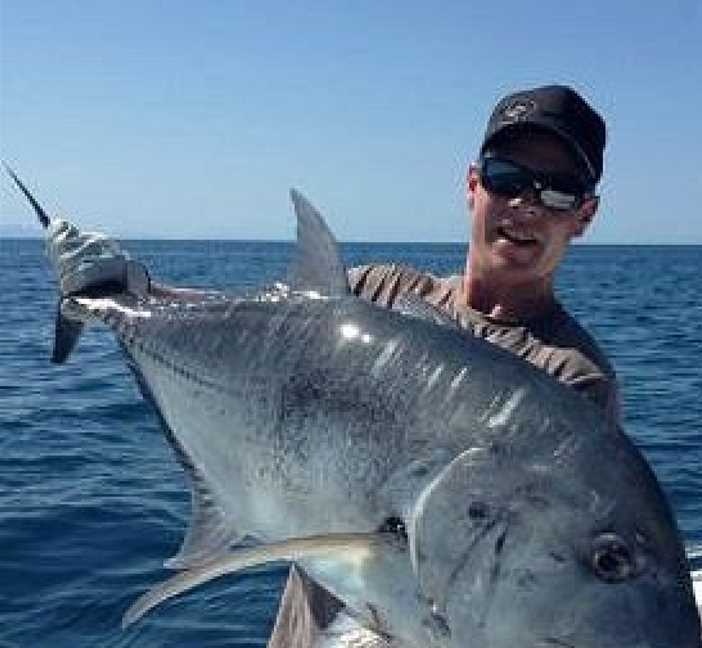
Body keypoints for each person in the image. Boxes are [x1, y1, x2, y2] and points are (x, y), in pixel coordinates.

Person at [46, 84, 617, 648]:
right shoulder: (378, 293)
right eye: (507, 178)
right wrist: (126, 290)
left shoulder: (569, 379)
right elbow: (247, 328)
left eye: (559, 192)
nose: (526, 205)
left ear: (585, 215)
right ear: (473, 185)